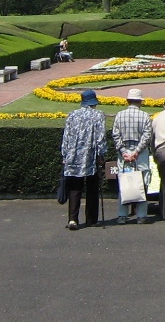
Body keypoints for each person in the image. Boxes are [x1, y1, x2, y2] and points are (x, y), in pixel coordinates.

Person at [60, 89, 107, 230]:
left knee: (75, 188)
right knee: (92, 188)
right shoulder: (98, 115)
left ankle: (73, 219)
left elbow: (66, 137)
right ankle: (91, 219)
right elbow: (101, 137)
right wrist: (101, 155)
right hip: (90, 156)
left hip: (73, 156)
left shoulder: (72, 115)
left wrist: (65, 155)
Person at [112, 88, 153, 224]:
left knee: (124, 183)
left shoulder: (119, 115)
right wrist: (136, 151)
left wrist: (124, 151)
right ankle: (141, 215)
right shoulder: (145, 116)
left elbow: (116, 135)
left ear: (128, 100)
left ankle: (122, 215)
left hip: (124, 154)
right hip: (139, 154)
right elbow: (147, 136)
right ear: (140, 101)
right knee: (142, 184)